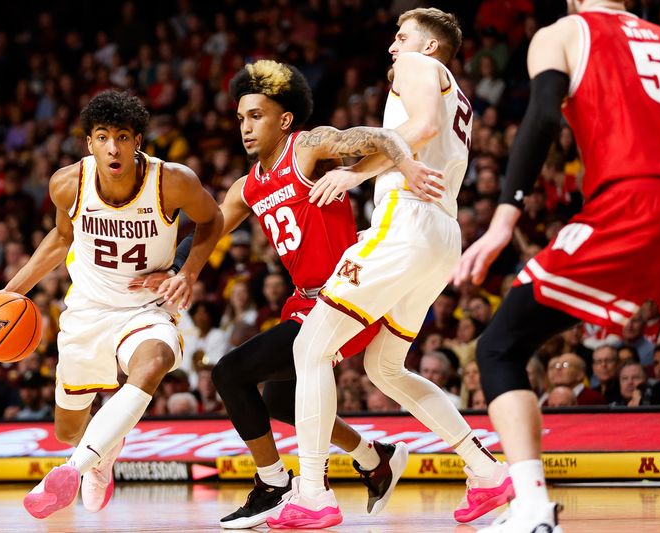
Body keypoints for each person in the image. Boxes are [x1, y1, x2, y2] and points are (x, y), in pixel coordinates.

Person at [141, 59, 443, 529]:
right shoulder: (247, 186)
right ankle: (374, 457)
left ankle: (273, 484)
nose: (244, 126)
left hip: (349, 295)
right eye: (240, 117)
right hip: (306, 301)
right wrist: (181, 269)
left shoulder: (307, 147)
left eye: (256, 115)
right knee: (282, 402)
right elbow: (210, 227)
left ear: (284, 119)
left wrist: (403, 165)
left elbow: (379, 138)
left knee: (231, 372)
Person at [451, 1, 660, 531]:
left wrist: (503, 220)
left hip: (633, 200)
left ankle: (532, 506)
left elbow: (543, 115)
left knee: (499, 346)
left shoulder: (565, 31)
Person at [273, 9, 513, 529]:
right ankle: (487, 472)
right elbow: (427, 132)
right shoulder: (457, 92)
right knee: (384, 367)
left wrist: (354, 173)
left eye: (401, 38)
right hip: (440, 234)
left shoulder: (418, 68)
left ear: (428, 47)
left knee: (309, 347)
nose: (392, 47)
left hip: (407, 222)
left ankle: (312, 493)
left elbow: (420, 128)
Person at [0, 90, 223, 519]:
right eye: (103, 136)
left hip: (146, 307)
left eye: (123, 137)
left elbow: (213, 219)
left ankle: (75, 469)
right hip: (88, 310)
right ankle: (102, 454)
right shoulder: (67, 183)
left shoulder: (172, 181)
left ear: (138, 141)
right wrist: (11, 291)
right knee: (67, 429)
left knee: (156, 359)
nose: (114, 147)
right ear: (89, 142)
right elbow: (60, 238)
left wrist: (186, 273)